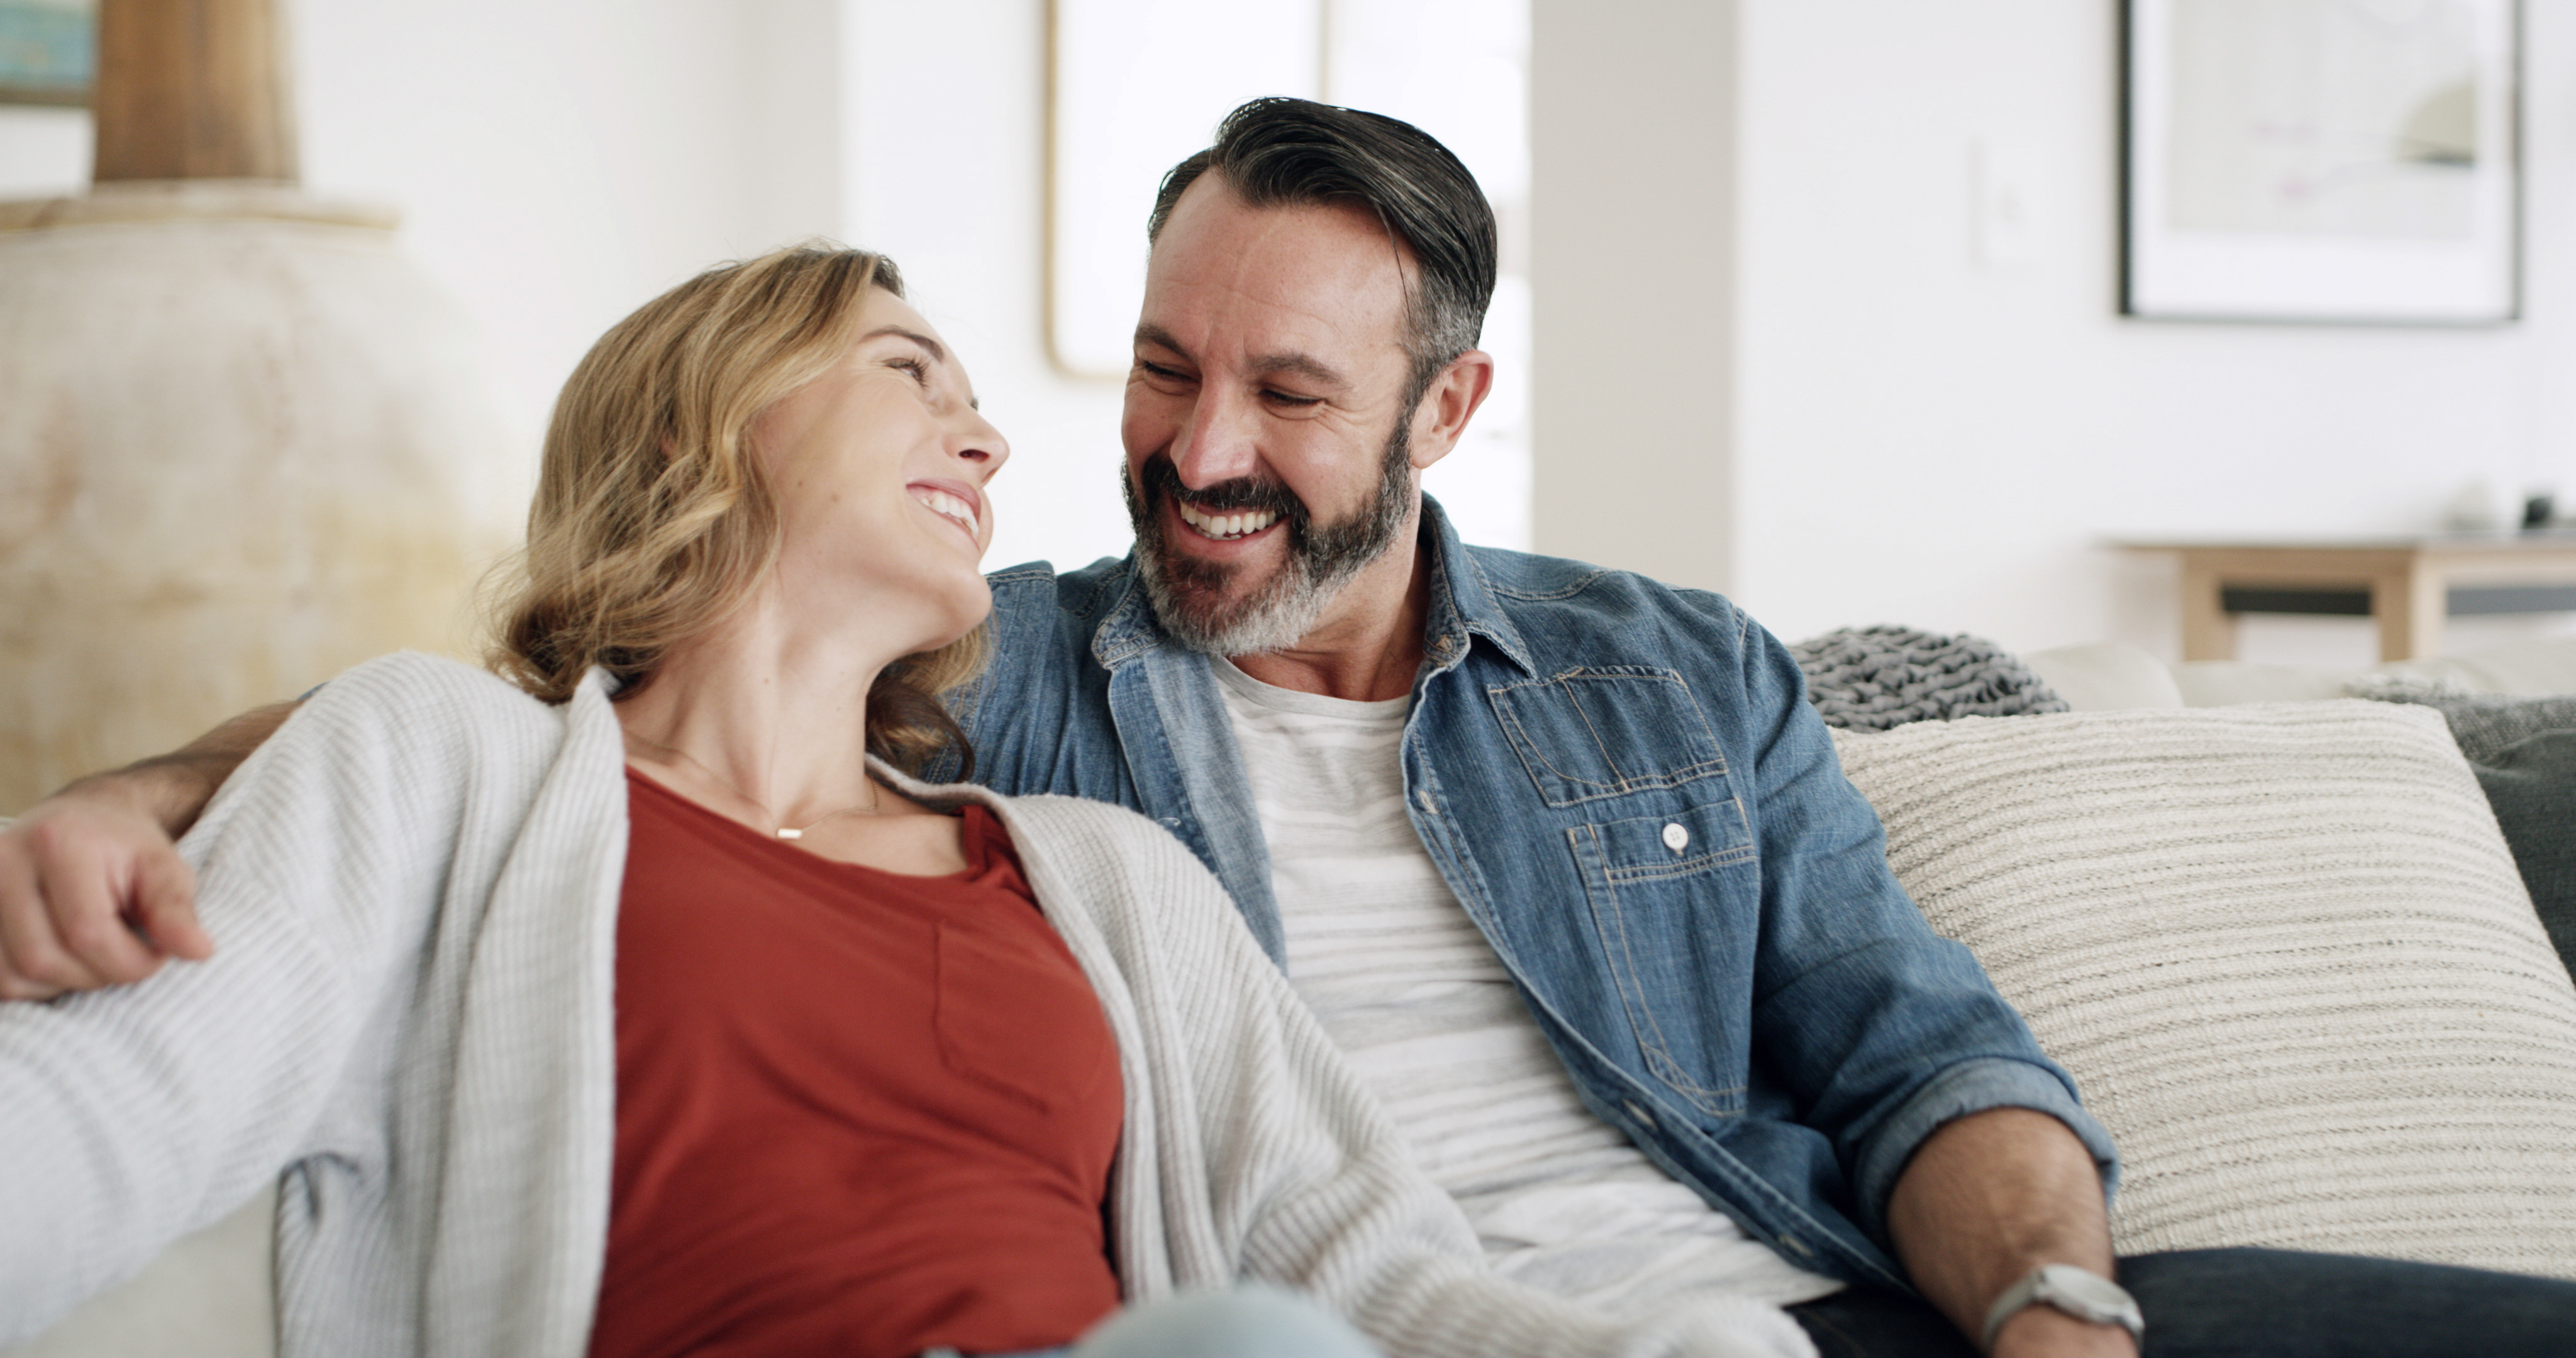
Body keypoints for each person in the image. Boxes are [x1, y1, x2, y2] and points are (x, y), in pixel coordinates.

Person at [8, 99, 2575, 1357]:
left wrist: (2047, 1319)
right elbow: (515, 730)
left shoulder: (1616, 689)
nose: (1179, 451)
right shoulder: (1003, 686)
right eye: (1154, 370)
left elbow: (1902, 1064)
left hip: (1756, 1320)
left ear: (1447, 416)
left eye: (1289, 395)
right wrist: (132, 790)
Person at [0, 245, 1814, 1358]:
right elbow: (100, 1122)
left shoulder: (1105, 878)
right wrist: (126, 802)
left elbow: (1355, 1256)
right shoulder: (446, 768)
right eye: (905, 373)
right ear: (698, 427)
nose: (990, 437)